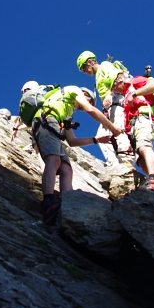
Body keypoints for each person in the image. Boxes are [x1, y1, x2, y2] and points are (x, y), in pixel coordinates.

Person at [32, 85, 122, 224]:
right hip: (45, 121)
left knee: (66, 168)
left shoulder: (67, 113)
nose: (81, 109)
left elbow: (72, 141)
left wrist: (96, 140)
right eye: (87, 101)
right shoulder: (73, 90)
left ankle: (67, 204)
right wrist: (112, 127)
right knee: (54, 160)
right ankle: (48, 203)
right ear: (84, 93)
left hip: (53, 125)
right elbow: (90, 109)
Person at [114, 72, 154, 193]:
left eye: (114, 84)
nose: (114, 88)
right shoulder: (125, 96)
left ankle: (153, 180)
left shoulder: (134, 83)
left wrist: (135, 93)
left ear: (120, 79)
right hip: (134, 126)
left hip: (144, 118)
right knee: (141, 161)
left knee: (145, 147)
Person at [77, 51, 134, 167]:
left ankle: (127, 163)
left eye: (84, 68)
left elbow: (119, 79)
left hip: (118, 103)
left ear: (89, 62)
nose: (84, 72)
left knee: (119, 131)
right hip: (110, 109)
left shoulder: (105, 65)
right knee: (101, 136)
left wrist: (109, 94)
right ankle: (115, 165)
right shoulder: (98, 77)